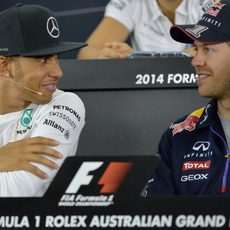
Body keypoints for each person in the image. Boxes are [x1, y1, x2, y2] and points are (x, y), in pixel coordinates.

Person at [144, 0, 230, 196]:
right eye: (195, 49)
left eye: (207, 49)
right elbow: (158, 218)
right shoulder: (179, 135)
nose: (196, 61)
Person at [0, 4, 87, 197]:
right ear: (4, 65)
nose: (58, 72)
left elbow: (16, 194)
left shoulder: (65, 103)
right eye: (43, 59)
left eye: (56, 58)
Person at [77, 0, 208, 59]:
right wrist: (116, 55)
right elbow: (87, 53)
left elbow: (222, 52)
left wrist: (136, 58)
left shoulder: (210, 2)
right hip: (145, 91)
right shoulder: (130, 2)